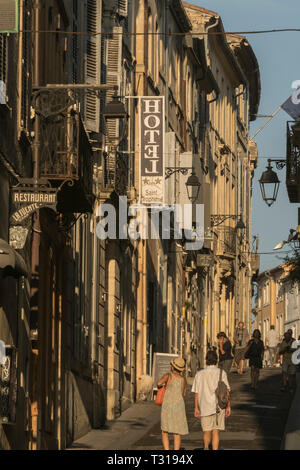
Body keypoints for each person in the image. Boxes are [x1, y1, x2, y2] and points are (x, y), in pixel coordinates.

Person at [192, 350, 231, 451]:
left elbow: (196, 392)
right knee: (216, 431)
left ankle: (205, 447)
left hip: (204, 406)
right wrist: (228, 406)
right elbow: (227, 391)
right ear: (216, 360)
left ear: (206, 360)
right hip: (219, 406)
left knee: (206, 431)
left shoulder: (199, 374)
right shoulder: (222, 373)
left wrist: (196, 407)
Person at [157, 357, 188, 450]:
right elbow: (184, 393)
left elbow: (158, 383)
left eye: (172, 365)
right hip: (179, 406)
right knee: (176, 431)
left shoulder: (168, 376)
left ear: (173, 367)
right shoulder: (183, 379)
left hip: (168, 405)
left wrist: (165, 386)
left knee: (165, 430)